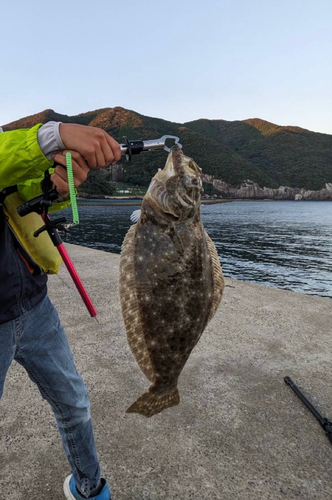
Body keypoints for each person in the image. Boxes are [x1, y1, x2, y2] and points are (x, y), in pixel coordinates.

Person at [0, 121, 121, 500]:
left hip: (34, 305)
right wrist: (51, 134)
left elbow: (19, 197)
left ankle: (89, 487)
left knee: (74, 403)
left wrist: (53, 188)